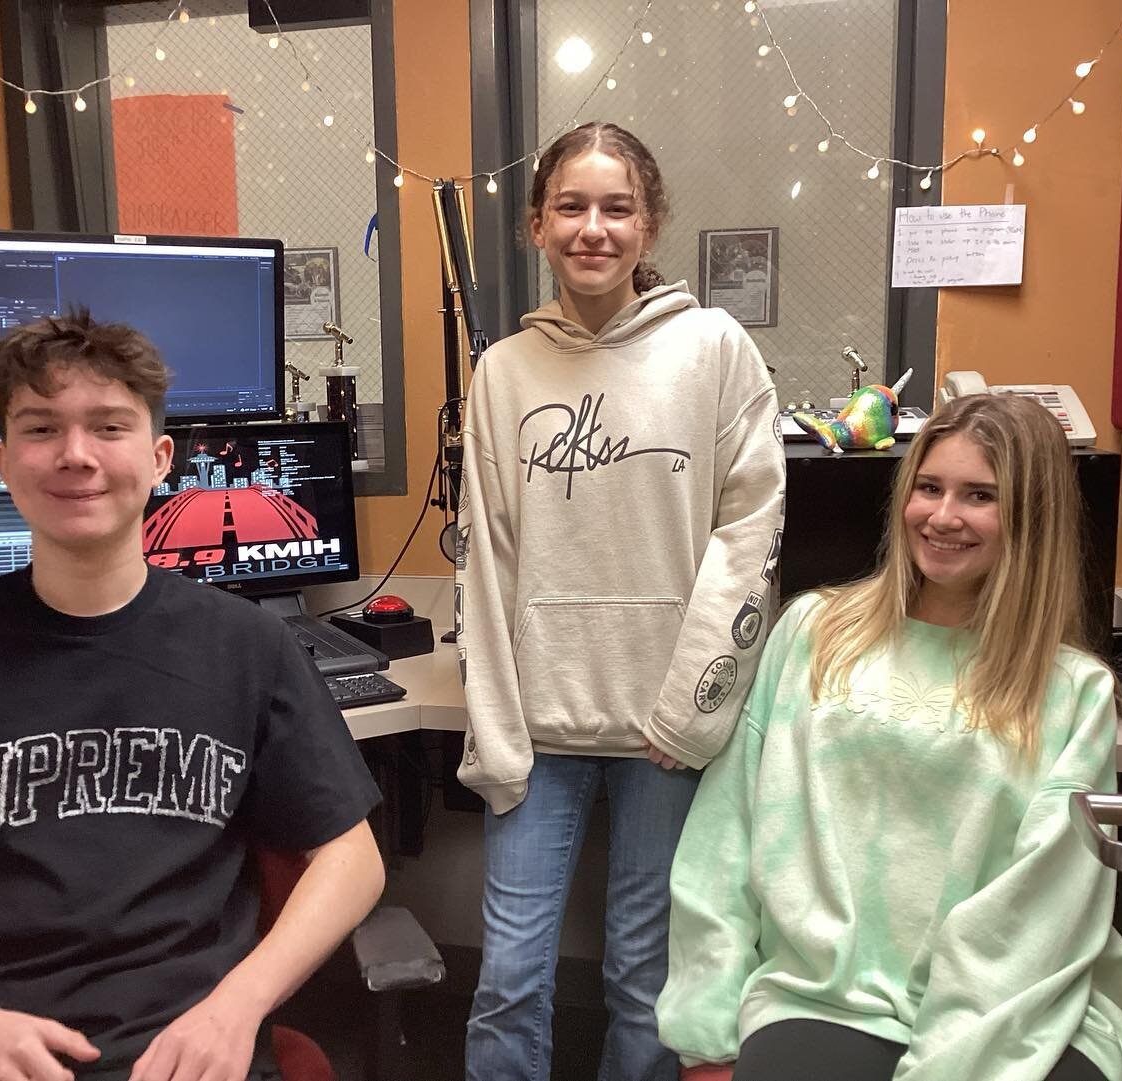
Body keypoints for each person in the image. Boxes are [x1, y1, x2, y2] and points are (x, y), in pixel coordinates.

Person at [0, 310, 386, 1081]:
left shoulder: (246, 648)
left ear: (160, 456)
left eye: (108, 426)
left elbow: (351, 858)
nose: (75, 455)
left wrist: (240, 1005)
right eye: (40, 429)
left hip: (188, 1056)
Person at [656, 394, 1122, 1081]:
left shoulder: (1071, 692)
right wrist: (704, 1026)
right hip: (826, 993)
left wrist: (946, 1060)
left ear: (1031, 519)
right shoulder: (815, 634)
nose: (942, 516)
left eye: (980, 496)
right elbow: (724, 837)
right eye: (929, 487)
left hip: (1014, 1006)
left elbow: (1042, 909)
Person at [455, 121, 787, 1081]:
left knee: (648, 978)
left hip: (664, 731)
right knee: (510, 976)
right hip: (541, 730)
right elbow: (488, 560)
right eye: (571, 206)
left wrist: (693, 707)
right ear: (536, 225)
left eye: (616, 208)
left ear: (649, 225)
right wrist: (497, 720)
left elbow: (751, 532)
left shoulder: (716, 349)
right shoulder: (503, 372)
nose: (592, 228)